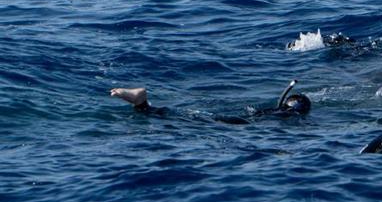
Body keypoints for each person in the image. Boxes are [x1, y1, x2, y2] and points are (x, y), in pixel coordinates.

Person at [109, 80, 311, 122]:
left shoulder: (279, 110)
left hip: (244, 118)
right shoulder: (286, 114)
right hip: (242, 123)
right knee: (191, 121)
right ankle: (144, 106)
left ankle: (144, 105)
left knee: (185, 117)